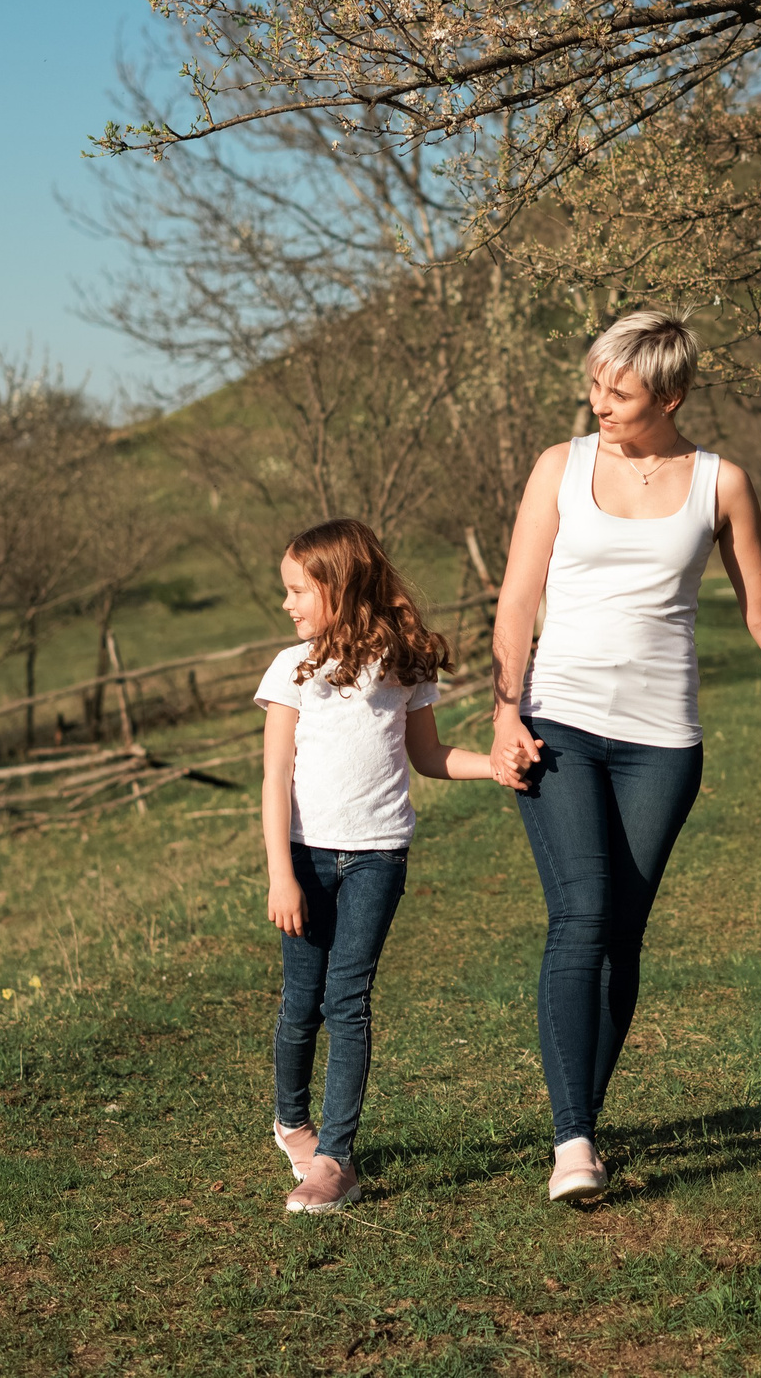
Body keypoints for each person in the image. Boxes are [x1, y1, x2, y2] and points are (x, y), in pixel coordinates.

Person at [489, 308, 761, 1201]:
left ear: (672, 396)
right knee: (582, 913)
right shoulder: (560, 466)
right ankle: (572, 1143)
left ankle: (581, 1110)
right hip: (560, 721)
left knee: (624, 931)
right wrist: (505, 712)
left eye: (619, 393)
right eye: (594, 386)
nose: (599, 404)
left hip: (663, 742)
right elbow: (516, 599)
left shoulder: (720, 484)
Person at [257, 518, 497, 1213]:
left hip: (378, 857)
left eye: (298, 589)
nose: (288, 603)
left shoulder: (403, 667)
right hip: (304, 857)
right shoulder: (291, 668)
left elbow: (430, 757)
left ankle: (335, 1161)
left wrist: (496, 768)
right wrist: (281, 873)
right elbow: (275, 779)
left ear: (341, 585)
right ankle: (291, 1122)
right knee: (302, 1004)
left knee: (347, 1001)